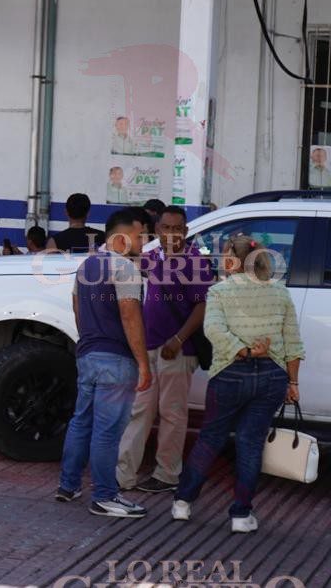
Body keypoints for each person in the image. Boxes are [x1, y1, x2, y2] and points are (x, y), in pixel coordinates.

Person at [171, 235, 304, 534]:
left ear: (232, 258)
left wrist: (243, 351)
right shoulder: (279, 292)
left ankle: (183, 503)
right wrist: (293, 382)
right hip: (273, 376)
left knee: (211, 438)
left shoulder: (219, 291)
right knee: (251, 442)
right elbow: (293, 343)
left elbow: (213, 330)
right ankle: (241, 516)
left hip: (230, 372)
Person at [56, 208, 153, 519]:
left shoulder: (88, 265)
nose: (145, 241)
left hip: (87, 353)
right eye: (140, 235)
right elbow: (130, 315)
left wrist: (89, 336)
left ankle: (68, 485)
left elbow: (75, 305)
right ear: (122, 236)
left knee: (81, 421)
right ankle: (105, 496)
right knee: (108, 431)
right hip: (116, 358)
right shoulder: (124, 267)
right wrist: (143, 363)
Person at [116, 206, 212, 493]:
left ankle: (167, 474)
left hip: (177, 351)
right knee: (140, 411)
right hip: (150, 348)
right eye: (166, 228)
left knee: (172, 414)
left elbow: (202, 305)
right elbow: (130, 261)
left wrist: (178, 340)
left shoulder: (195, 261)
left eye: (176, 229)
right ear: (158, 230)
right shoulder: (153, 256)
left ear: (185, 231)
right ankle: (123, 476)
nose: (171, 234)